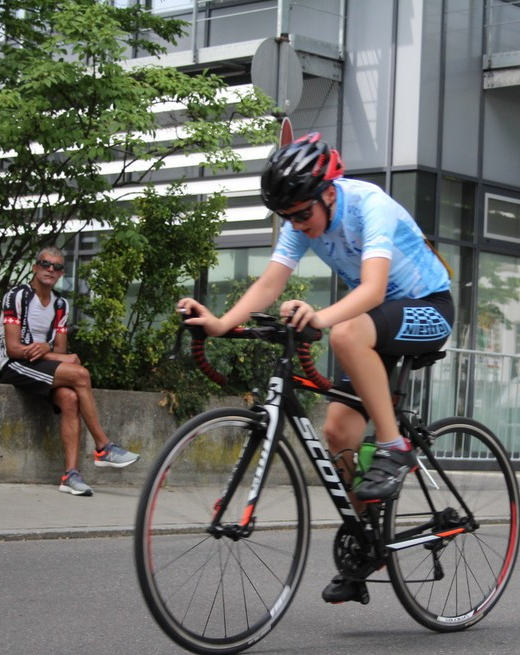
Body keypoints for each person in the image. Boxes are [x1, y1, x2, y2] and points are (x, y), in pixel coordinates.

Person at [176, 132, 454, 604]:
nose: (299, 226)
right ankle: (369, 544)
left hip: (427, 307)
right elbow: (270, 282)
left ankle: (394, 445)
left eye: (304, 215)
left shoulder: (370, 204)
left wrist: (319, 320)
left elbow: (371, 289)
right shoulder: (301, 218)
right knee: (339, 433)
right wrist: (221, 323)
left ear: (329, 191)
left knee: (346, 332)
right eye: (288, 218)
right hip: (375, 324)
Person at [0, 247, 140, 497]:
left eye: (57, 267)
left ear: (61, 273)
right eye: (45, 264)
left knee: (70, 398)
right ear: (35, 267)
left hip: (38, 364)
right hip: (14, 365)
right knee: (80, 374)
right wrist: (48, 351)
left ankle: (70, 475)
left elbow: (61, 350)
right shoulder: (17, 297)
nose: (51, 269)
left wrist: (47, 349)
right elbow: (14, 349)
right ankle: (103, 447)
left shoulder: (61, 305)